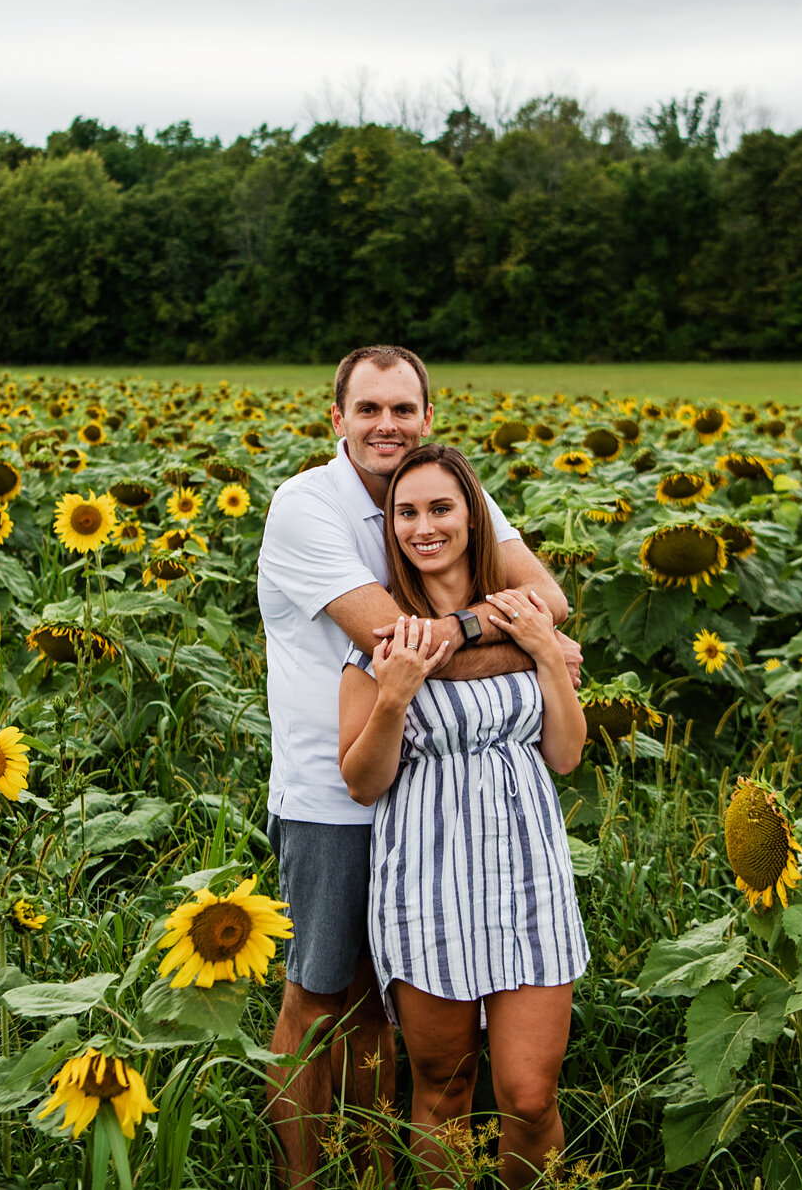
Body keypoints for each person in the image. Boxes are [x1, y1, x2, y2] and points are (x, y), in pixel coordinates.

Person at [256, 346, 578, 1188]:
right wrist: (521, 642)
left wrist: (494, 631)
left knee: (388, 1022)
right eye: (369, 409)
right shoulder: (306, 506)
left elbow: (550, 600)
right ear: (339, 420)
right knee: (322, 999)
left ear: (428, 416)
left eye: (403, 409)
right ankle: (302, 1177)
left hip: (446, 809)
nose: (387, 425)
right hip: (337, 791)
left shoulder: (444, 487)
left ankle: (371, 1171)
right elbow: (395, 643)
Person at [337, 444, 588, 1189]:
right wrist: (394, 694)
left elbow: (567, 753)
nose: (424, 527)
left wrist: (545, 651)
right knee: (444, 1088)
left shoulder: (521, 615)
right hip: (428, 881)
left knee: (528, 1094)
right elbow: (361, 781)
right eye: (406, 512)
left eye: (440, 508)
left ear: (472, 518)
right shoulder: (385, 640)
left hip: (528, 873)